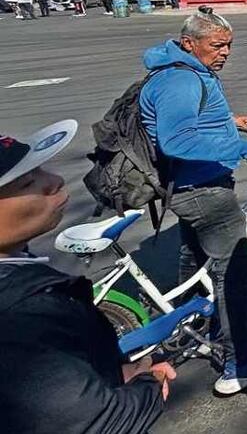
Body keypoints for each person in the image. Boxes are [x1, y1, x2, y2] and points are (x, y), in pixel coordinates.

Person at [139, 11, 247, 395]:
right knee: (232, 273)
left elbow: (193, 122)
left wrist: (226, 121)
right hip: (203, 192)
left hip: (189, 190)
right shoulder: (180, 80)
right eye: (217, 45)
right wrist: (244, 146)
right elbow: (177, 141)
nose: (225, 52)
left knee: (192, 261)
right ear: (189, 43)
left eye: (228, 45)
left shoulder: (184, 70)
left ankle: (187, 330)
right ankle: (238, 362)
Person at [0, 119, 177, 433]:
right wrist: (151, 381)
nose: (54, 180)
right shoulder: (19, 314)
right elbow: (95, 421)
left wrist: (114, 372)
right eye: (28, 183)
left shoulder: (18, 273)